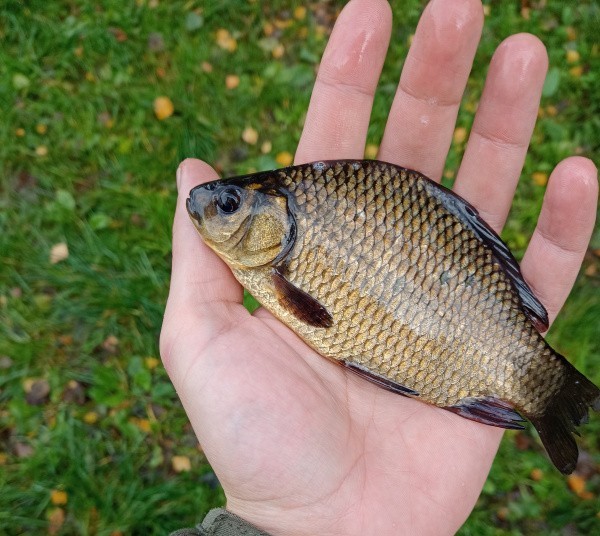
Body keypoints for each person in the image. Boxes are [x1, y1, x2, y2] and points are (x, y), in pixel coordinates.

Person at [160, 0, 598, 534]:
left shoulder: (276, 260)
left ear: (276, 217)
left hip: (465, 316)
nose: (209, 208)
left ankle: (547, 387)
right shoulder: (277, 259)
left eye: (230, 205)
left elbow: (319, 318)